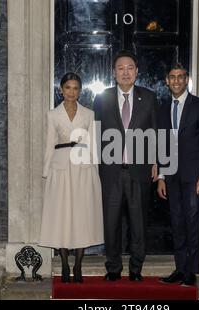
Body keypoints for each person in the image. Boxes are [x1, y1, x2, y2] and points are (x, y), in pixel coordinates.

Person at [93, 50, 158, 282]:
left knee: (138, 223)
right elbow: (96, 134)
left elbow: (156, 132)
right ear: (114, 73)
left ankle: (136, 269)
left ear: (137, 71)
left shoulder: (149, 97)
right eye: (120, 68)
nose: (125, 72)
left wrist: (155, 161)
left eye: (130, 68)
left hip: (139, 171)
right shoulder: (103, 99)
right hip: (110, 172)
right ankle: (113, 268)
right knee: (111, 223)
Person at [39, 72, 104, 283]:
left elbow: (94, 144)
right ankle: (65, 265)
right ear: (61, 90)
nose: (71, 92)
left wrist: (96, 171)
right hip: (60, 168)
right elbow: (49, 144)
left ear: (80, 91)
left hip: (83, 167)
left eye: (76, 88)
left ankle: (78, 266)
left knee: (81, 217)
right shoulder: (52, 114)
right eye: (68, 87)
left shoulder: (89, 114)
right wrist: (46, 172)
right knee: (62, 217)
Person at [157, 63, 199, 286]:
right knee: (177, 223)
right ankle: (180, 269)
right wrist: (161, 177)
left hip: (194, 177)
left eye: (181, 77)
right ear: (167, 80)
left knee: (192, 222)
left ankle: (191, 272)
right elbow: (162, 144)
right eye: (172, 77)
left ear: (187, 79)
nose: (177, 81)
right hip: (171, 176)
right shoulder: (163, 108)